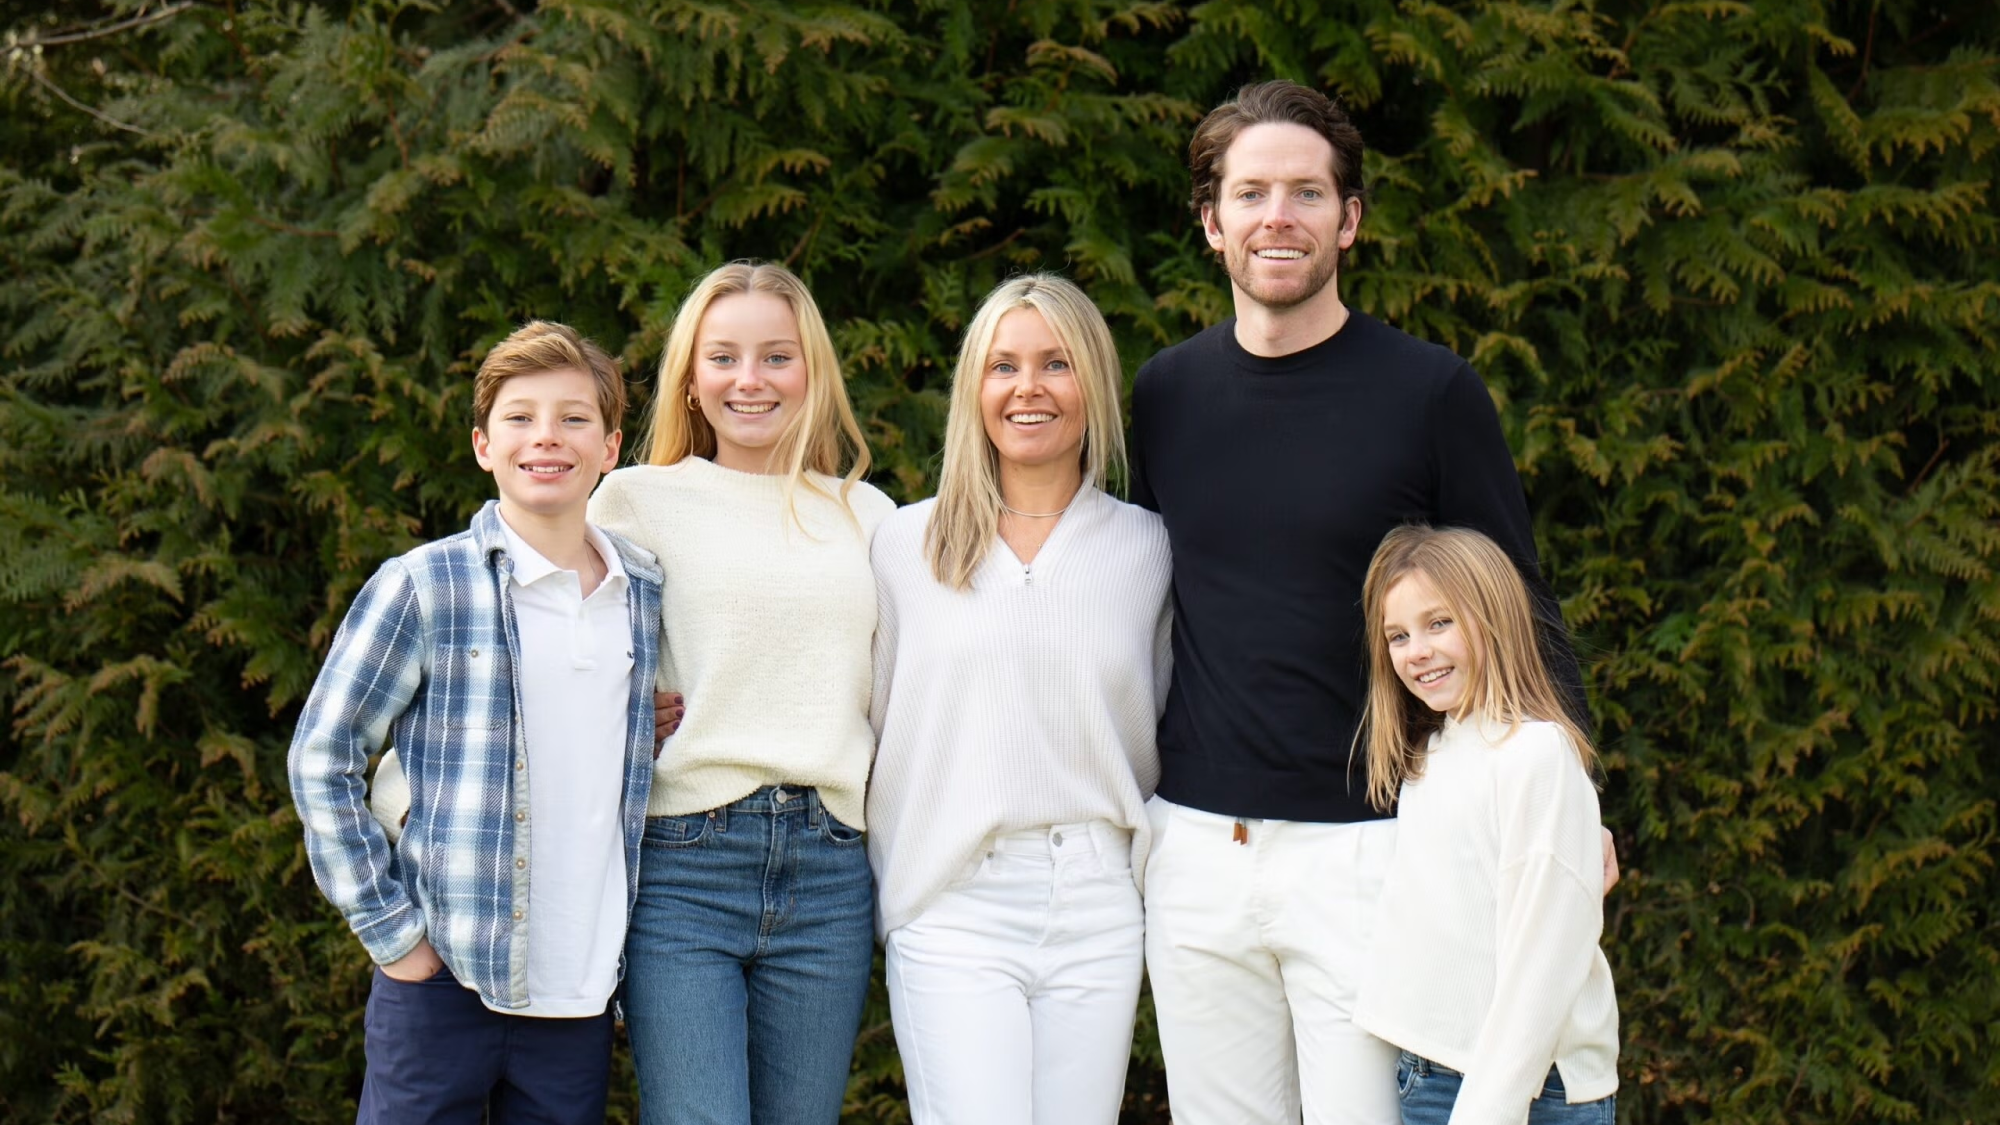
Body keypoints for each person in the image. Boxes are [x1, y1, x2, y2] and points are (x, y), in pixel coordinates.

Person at [1129, 79, 1609, 1124]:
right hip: (1195, 851)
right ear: (1211, 223)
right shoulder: (1164, 394)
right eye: (1250, 193)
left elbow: (1513, 596)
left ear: (1348, 219)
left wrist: (1576, 791)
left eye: (1305, 193)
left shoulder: (1429, 392)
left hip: (1371, 845)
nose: (1277, 217)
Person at [288, 320, 663, 1124]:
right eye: (520, 418)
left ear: (611, 445)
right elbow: (323, 754)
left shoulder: (641, 591)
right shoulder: (427, 585)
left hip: (578, 995)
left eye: (574, 418)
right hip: (443, 982)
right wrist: (395, 935)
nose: (546, 438)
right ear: (483, 445)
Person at [590, 261, 894, 1125]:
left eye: (776, 357)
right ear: (690, 375)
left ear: (813, 372)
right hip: (686, 865)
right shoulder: (634, 502)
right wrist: (615, 718)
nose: (749, 380)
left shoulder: (869, 516)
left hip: (830, 869)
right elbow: (556, 653)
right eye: (723, 357)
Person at [866, 274, 1172, 1124]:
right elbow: (864, 716)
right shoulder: (904, 543)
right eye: (1004, 365)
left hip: (1100, 899)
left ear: (1094, 385)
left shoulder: (1149, 548)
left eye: (1056, 364)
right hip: (954, 894)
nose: (1028, 387)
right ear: (974, 388)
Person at [1353, 524, 1619, 1124]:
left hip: (1524, 1089)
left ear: (1494, 618)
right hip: (1431, 1072)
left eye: (1438, 623)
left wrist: (1487, 1109)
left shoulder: (1536, 754)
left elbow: (1543, 965)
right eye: (1397, 635)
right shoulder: (1432, 756)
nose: (1415, 649)